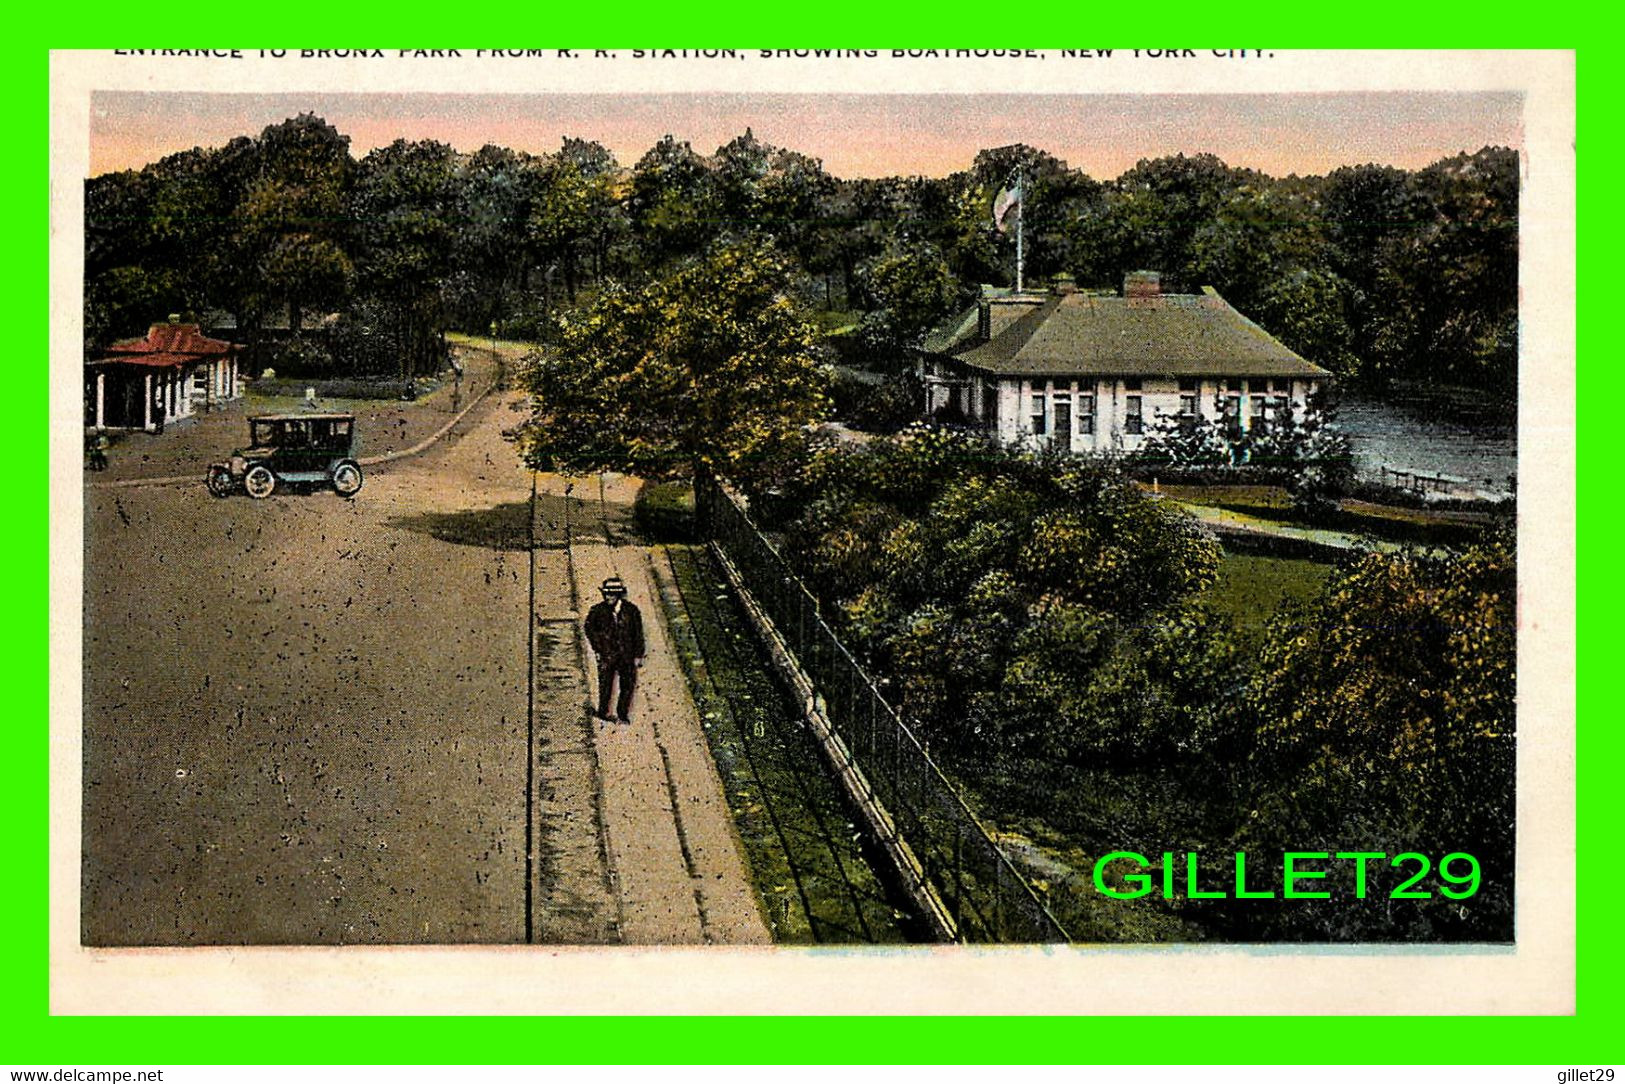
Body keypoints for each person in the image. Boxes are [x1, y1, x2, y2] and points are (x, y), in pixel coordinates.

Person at [584, 575, 645, 724]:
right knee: (605, 685)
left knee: (627, 686)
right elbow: (589, 629)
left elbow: (638, 633)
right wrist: (598, 648)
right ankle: (603, 712)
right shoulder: (597, 611)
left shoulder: (631, 611)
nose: (608, 597)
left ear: (618, 595)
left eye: (611, 594)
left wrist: (638, 655)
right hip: (607, 655)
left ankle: (622, 715)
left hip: (626, 655)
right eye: (605, 594)